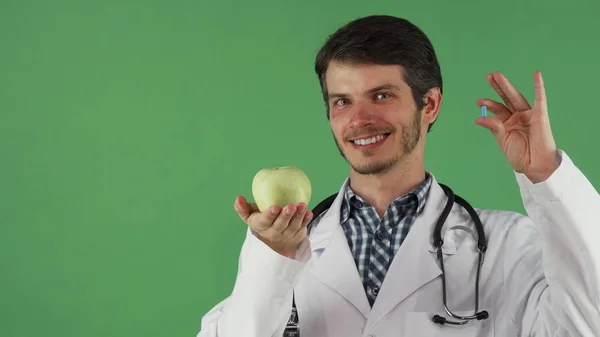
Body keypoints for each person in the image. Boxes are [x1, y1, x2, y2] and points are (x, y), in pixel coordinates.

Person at [197, 15, 600, 337]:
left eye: (382, 95)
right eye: (342, 101)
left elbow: (587, 326)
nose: (358, 119)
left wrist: (547, 176)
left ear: (429, 104)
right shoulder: (282, 249)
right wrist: (273, 260)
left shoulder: (506, 246)